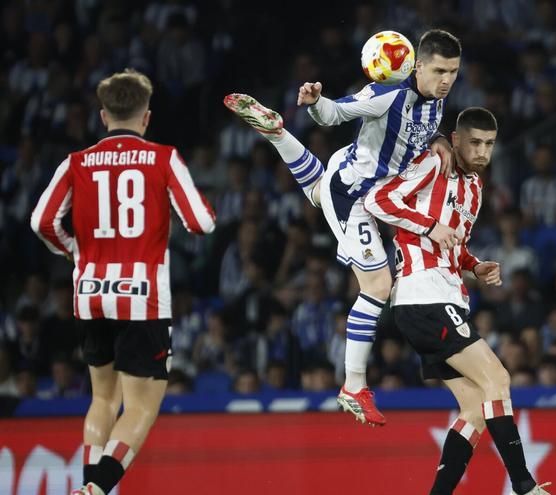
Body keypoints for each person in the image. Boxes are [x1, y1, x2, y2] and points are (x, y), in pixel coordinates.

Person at [224, 29, 462, 426]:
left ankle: (277, 133)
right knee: (377, 287)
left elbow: (419, 129)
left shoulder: (435, 96)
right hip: (355, 197)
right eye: (439, 71)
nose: (447, 80)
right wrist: (317, 102)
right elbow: (335, 114)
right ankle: (353, 386)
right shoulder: (387, 93)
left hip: (354, 174)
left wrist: (438, 138)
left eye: (453, 72)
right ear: (417, 66)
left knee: (318, 193)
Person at [31, 69, 216, 495]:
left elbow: (41, 221)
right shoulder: (163, 158)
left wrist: (74, 252)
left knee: (102, 399)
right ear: (146, 117)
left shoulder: (76, 162)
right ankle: (96, 489)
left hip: (90, 294)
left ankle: (88, 485)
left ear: (103, 116)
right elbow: (200, 222)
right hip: (142, 297)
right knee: (141, 408)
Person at [365, 107, 550, 495]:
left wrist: (475, 265)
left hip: (443, 295)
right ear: (456, 140)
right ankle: (524, 485)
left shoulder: (475, 188)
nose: (482, 152)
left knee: (476, 407)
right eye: (475, 143)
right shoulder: (435, 163)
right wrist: (430, 225)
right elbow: (378, 200)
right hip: (423, 294)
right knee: (498, 378)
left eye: (489, 144)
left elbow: (455, 244)